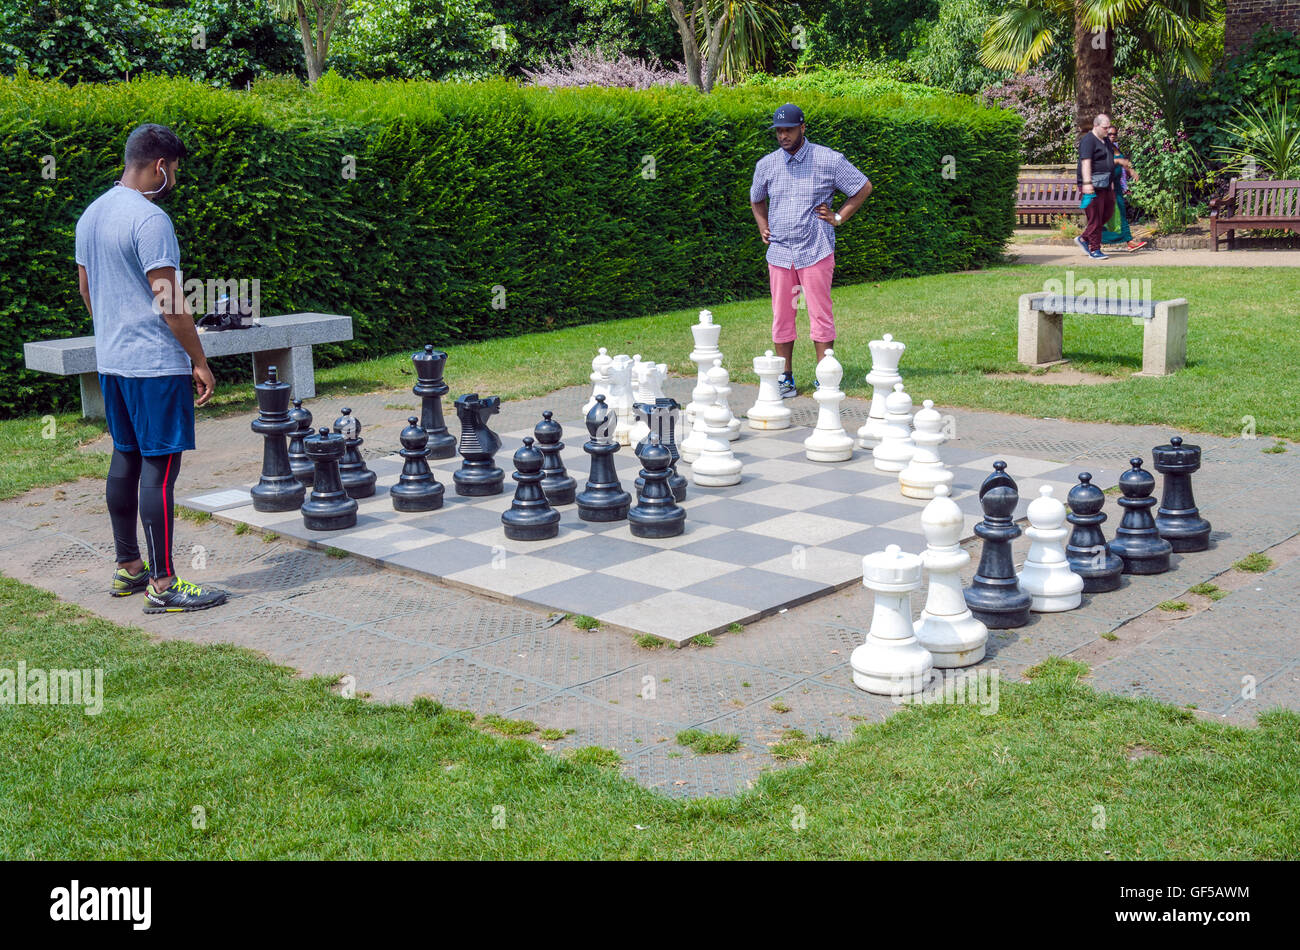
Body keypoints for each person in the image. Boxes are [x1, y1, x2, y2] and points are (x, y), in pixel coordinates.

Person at [76, 123, 228, 613]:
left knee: (125, 459)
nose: (176, 179)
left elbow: (86, 290)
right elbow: (171, 303)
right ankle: (163, 586)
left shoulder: (91, 214)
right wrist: (198, 360)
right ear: (161, 165)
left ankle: (129, 568)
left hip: (113, 362)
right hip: (154, 365)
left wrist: (114, 332)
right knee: (160, 472)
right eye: (176, 170)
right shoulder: (149, 219)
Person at [750, 103, 872, 397]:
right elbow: (756, 198)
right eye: (778, 131)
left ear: (802, 128)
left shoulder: (828, 159)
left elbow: (863, 187)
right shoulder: (767, 164)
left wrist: (839, 216)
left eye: (788, 130)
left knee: (819, 313)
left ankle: (825, 376)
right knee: (782, 315)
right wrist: (762, 224)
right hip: (779, 254)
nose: (783, 136)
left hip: (815, 250)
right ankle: (785, 378)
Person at [1075, 113, 1116, 260]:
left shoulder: (1106, 141)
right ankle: (1094, 249)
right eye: (1105, 128)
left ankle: (1084, 238)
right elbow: (1086, 162)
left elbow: (1109, 161)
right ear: (1096, 126)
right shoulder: (1088, 140)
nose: (1108, 131)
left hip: (1105, 184)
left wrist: (1111, 182)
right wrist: (1087, 184)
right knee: (1095, 216)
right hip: (1091, 184)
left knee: (1108, 212)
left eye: (1108, 127)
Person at [1102, 125, 1148, 251]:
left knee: (1119, 213)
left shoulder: (1115, 147)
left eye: (1114, 134)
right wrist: (1118, 162)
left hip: (1116, 186)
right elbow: (1102, 165)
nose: (1112, 136)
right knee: (1109, 216)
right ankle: (1090, 239)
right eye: (1110, 134)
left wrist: (1131, 171)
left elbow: (1123, 163)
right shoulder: (1102, 147)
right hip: (1107, 186)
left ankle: (1129, 241)